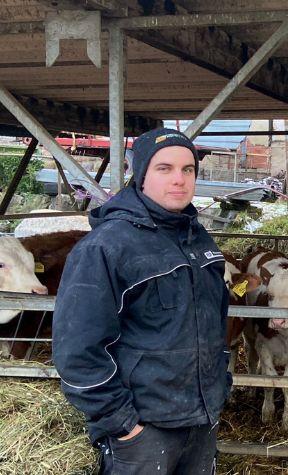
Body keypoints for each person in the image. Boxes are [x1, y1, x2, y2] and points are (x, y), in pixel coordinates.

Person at [53, 128, 231, 474]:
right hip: (144, 430)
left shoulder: (198, 240)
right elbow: (77, 351)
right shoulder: (107, 247)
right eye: (164, 169)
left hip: (201, 420)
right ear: (143, 175)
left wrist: (219, 388)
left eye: (188, 169)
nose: (179, 180)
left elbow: (216, 323)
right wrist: (122, 423)